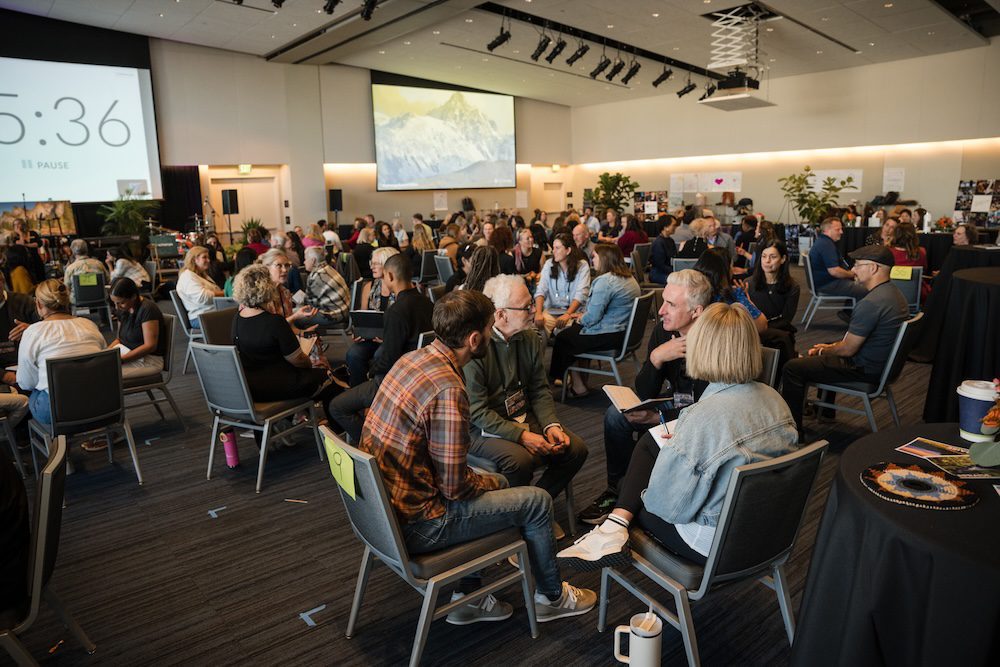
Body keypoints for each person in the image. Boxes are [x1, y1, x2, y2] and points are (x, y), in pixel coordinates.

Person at [360, 289, 597, 625]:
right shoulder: (449, 388)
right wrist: (492, 484)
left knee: (500, 482)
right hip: (419, 526)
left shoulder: (412, 359)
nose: (491, 332)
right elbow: (455, 488)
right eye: (488, 328)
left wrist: (493, 483)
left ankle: (468, 595)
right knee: (538, 502)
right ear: (474, 339)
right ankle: (551, 597)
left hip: (381, 512)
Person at [558, 303, 799, 569]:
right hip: (769, 533)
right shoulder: (777, 400)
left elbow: (668, 507)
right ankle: (613, 527)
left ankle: (613, 529)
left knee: (634, 488)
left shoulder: (702, 417)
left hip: (715, 545)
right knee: (649, 455)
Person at [577, 270, 712, 525]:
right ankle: (617, 491)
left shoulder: (714, 341)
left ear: (696, 311)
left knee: (649, 432)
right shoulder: (664, 332)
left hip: (705, 415)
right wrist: (656, 358)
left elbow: (708, 411)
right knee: (616, 416)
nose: (661, 311)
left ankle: (636, 496)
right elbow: (644, 392)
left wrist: (658, 416)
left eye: (671, 305)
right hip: (679, 401)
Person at [464, 274, 588, 521]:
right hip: (479, 429)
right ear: (500, 315)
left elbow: (539, 390)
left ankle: (532, 510)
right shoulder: (476, 348)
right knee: (520, 461)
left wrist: (551, 424)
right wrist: (523, 435)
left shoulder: (531, 338)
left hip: (519, 415)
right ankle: (518, 522)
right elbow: (477, 413)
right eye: (526, 306)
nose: (535, 311)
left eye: (532, 303)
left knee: (574, 448)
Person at [781, 245, 909, 436]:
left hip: (865, 370)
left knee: (792, 368)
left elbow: (848, 350)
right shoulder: (895, 294)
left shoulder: (871, 303)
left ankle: (793, 434)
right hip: (882, 367)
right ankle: (825, 412)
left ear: (873, 268)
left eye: (857, 265)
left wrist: (824, 351)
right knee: (831, 344)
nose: (853, 270)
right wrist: (831, 347)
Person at [329, 253, 433, 443]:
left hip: (396, 380)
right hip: (421, 375)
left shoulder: (397, 310)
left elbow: (389, 359)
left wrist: (370, 372)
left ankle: (375, 443)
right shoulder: (428, 303)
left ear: (391, 276)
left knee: (337, 407)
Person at [231, 265, 339, 423]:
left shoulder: (237, 319)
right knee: (327, 378)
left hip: (250, 388)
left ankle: (289, 423)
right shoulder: (274, 322)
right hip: (277, 386)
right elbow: (298, 360)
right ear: (267, 288)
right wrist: (308, 362)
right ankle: (335, 433)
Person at [550, 244, 641, 395]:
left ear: (604, 259)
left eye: (594, 257)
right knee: (573, 333)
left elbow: (592, 318)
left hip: (609, 335)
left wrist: (578, 319)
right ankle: (580, 384)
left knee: (563, 337)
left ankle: (569, 382)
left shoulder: (605, 281)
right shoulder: (630, 279)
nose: (592, 260)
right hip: (625, 335)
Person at [16, 280, 106, 426]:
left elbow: (26, 383)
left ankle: (58, 440)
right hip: (102, 403)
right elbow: (103, 360)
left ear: (38, 304)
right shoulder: (89, 324)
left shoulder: (32, 332)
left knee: (33, 395)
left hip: (59, 411)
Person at [346, 246, 399, 386]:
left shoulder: (400, 289)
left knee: (379, 355)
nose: (372, 267)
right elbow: (363, 317)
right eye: (372, 263)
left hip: (393, 339)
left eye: (376, 263)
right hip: (371, 337)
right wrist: (358, 332)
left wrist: (387, 338)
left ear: (388, 265)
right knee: (353, 354)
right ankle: (359, 392)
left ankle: (378, 393)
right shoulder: (368, 287)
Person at [746, 241, 800, 374]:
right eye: (764, 256)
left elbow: (786, 319)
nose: (767, 261)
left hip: (778, 328)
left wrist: (764, 327)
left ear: (783, 259)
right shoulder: (749, 283)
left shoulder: (792, 287)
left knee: (781, 338)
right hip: (752, 329)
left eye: (773, 257)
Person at [694, 248, 767, 332]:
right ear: (726, 270)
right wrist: (748, 300)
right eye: (731, 266)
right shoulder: (733, 295)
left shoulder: (688, 292)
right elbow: (762, 325)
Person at [109, 277, 166, 382]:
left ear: (134, 296)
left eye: (121, 302)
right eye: (115, 303)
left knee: (105, 374)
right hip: (129, 354)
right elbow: (119, 339)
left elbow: (150, 346)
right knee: (99, 368)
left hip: (149, 360)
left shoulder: (148, 309)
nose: (117, 307)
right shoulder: (123, 309)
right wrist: (106, 354)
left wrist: (121, 360)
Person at [534, 232, 591, 336]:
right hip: (552, 311)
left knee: (564, 331)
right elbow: (541, 290)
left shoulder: (582, 266)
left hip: (573, 312)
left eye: (557, 248)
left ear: (568, 250)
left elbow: (581, 294)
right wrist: (538, 313)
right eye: (553, 247)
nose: (553, 251)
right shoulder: (549, 264)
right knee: (538, 327)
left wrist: (568, 314)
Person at [809, 217, 867, 301]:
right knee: (866, 288)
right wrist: (851, 274)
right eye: (838, 229)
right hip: (827, 284)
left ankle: (848, 312)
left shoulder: (822, 241)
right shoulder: (826, 245)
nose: (841, 232)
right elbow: (834, 271)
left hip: (822, 282)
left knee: (858, 286)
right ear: (827, 230)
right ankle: (856, 313)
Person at [259, 248, 315, 331]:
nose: (285, 270)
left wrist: (303, 333)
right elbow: (269, 329)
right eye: (279, 265)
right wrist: (295, 316)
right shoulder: (259, 295)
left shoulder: (285, 292)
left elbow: (290, 326)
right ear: (267, 267)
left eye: (287, 265)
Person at [301, 246, 351, 329]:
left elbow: (309, 305)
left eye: (305, 259)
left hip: (334, 315)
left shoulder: (317, 275)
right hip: (344, 311)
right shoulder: (329, 268)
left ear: (313, 260)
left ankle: (306, 340)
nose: (304, 262)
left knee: (296, 318)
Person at [176, 246, 224, 327]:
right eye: (204, 257)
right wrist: (223, 293)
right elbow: (203, 297)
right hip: (201, 317)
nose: (208, 260)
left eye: (208, 257)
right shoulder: (187, 277)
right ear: (194, 260)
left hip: (210, 313)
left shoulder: (200, 275)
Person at [0, 272, 38, 369]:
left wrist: (31, 330)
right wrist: (4, 375)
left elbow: (47, 331)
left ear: (3, 282)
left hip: (28, 366)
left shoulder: (25, 302)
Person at [889, 222, 930, 301]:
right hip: (916, 294)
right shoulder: (921, 252)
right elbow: (924, 269)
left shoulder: (887, 252)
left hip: (892, 294)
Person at [649, 215, 679, 284]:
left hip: (666, 271)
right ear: (665, 227)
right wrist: (675, 271)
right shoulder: (658, 243)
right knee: (679, 281)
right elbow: (659, 264)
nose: (676, 227)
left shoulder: (670, 240)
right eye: (673, 225)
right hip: (658, 274)